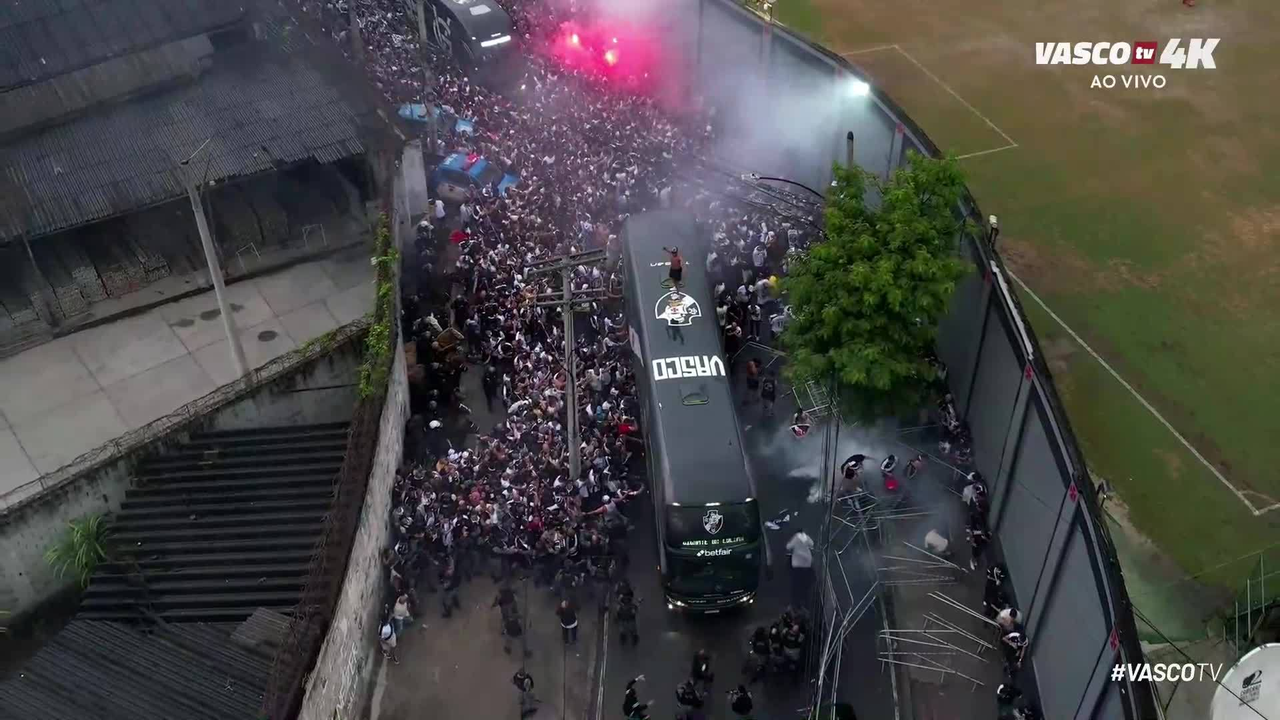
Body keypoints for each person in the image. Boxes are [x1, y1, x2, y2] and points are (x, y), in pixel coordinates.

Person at [785, 529, 815, 607]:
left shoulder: (796, 538)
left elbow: (788, 547)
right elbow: (812, 544)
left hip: (797, 564)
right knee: (805, 585)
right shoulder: (807, 537)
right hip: (807, 564)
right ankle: (806, 602)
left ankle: (796, 603)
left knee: (796, 584)